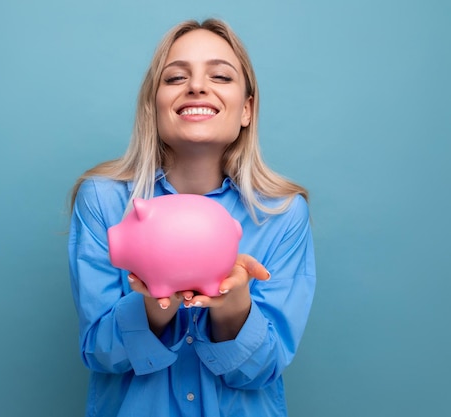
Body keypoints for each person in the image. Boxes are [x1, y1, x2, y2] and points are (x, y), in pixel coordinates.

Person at [68, 18, 316, 417]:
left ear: (246, 110)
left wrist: (233, 303)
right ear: (153, 106)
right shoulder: (102, 200)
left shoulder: (282, 214)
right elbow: (100, 352)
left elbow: (263, 368)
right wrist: (154, 303)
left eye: (220, 75)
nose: (197, 86)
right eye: (175, 78)